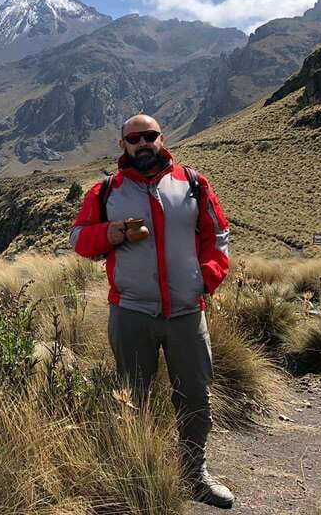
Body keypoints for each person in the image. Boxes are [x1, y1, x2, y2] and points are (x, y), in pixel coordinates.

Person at [68, 113, 233, 509]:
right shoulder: (106, 191)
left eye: (150, 136)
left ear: (162, 138)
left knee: (195, 397)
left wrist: (205, 279)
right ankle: (135, 474)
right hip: (131, 312)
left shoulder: (193, 183)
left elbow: (218, 234)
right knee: (131, 398)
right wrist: (111, 233)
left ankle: (194, 474)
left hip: (186, 313)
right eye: (134, 138)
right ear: (123, 145)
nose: (143, 143)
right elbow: (78, 238)